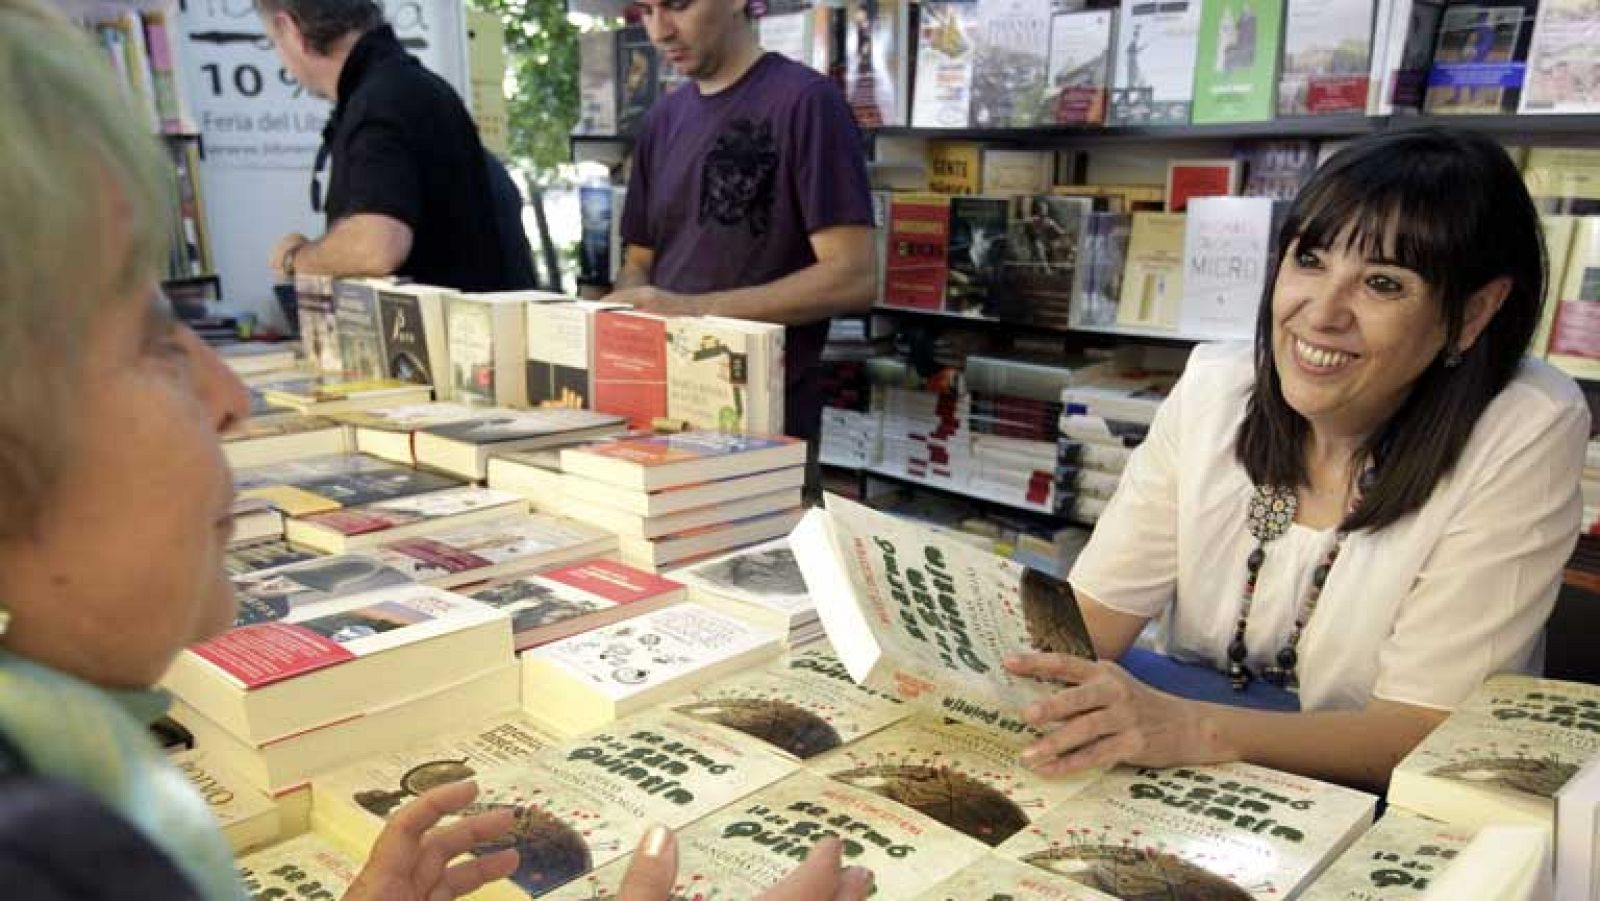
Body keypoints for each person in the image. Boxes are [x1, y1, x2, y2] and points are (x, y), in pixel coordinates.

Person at [0, 3, 869, 898]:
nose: (227, 396)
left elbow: (853, 268)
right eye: (150, 337)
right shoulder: (52, 847)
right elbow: (636, 270)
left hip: (755, 443)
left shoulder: (805, 104)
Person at [1003, 128, 1589, 794]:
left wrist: (1196, 730)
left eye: (1382, 283)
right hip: (1193, 770)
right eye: (1309, 259)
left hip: (1385, 798)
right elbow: (1084, 628)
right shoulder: (1217, 386)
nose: (1321, 313)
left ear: (1474, 312)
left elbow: (1427, 733)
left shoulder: (1524, 424)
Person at [605, 0, 877, 446]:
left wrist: (692, 310)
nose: (659, 32)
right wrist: (625, 310)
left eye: (676, 6)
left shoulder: (807, 102)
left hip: (764, 427)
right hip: (661, 412)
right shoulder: (661, 120)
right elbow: (639, 260)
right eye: (645, 11)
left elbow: (853, 277)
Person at [262, 0, 526, 291]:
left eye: (275, 42)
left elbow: (377, 246)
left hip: (441, 331)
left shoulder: (380, 100)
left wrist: (295, 259)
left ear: (290, 29)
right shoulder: (409, 86)